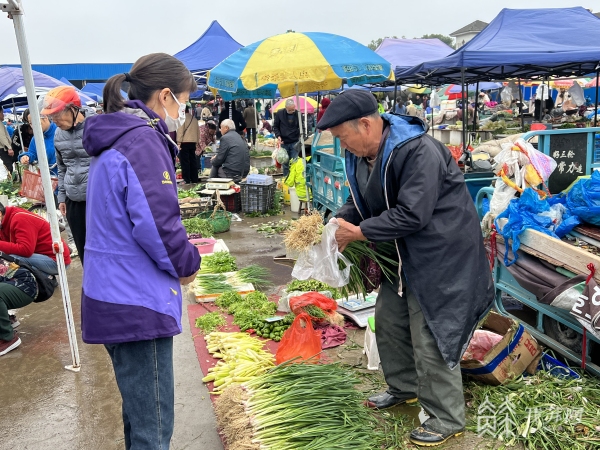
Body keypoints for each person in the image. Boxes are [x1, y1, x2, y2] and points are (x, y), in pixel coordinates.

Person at [318, 90, 493, 447]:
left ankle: (446, 417)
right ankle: (404, 388)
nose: (341, 145)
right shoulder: (361, 155)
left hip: (440, 255)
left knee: (430, 333)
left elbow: (413, 213)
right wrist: (339, 221)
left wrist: (361, 231)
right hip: (400, 253)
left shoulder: (418, 151)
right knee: (390, 320)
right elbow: (359, 199)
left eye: (342, 137)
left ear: (365, 124)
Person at [81, 53, 201, 450]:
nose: (184, 111)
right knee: (153, 428)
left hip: (113, 291)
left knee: (139, 414)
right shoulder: (141, 141)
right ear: (166, 96)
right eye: (184, 101)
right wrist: (188, 262)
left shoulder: (116, 137)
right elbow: (158, 223)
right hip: (135, 299)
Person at [40, 86, 95, 264]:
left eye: (57, 114)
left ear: (73, 108)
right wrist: (62, 197)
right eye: (51, 116)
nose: (54, 120)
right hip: (73, 200)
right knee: (84, 249)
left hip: (98, 198)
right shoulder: (58, 134)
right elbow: (62, 167)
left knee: (105, 248)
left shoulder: (97, 126)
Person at [273, 99, 301, 177]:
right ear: (286, 108)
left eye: (293, 109)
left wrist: (301, 136)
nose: (292, 111)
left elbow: (301, 127)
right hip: (284, 142)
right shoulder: (280, 113)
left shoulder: (298, 114)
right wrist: (278, 136)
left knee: (294, 162)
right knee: (285, 163)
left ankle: (294, 179)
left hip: (294, 142)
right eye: (290, 110)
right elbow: (275, 127)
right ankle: (286, 179)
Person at [176, 105, 200, 184]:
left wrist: (178, 143)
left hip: (184, 143)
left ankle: (186, 179)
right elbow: (198, 132)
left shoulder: (182, 119)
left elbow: (180, 131)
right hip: (193, 142)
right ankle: (194, 179)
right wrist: (196, 142)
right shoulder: (194, 119)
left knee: (185, 162)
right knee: (193, 161)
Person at [0, 110, 14, 175]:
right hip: (3, 149)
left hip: (3, 148)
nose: (3, 115)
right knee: (8, 167)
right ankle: (9, 182)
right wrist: (9, 148)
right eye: (2, 113)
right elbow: (2, 137)